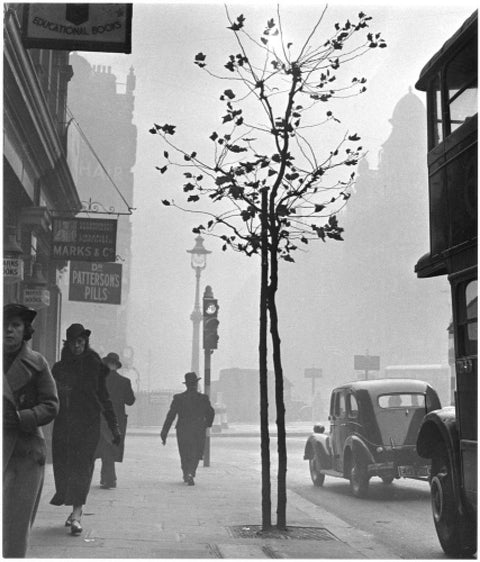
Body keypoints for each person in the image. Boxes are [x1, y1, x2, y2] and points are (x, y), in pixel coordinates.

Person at [50, 324, 121, 535]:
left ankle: (77, 514)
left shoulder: (94, 365)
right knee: (64, 468)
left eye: (80, 342)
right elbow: (48, 396)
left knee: (82, 467)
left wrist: (114, 426)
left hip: (88, 425)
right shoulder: (59, 368)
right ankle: (72, 509)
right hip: (64, 425)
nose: (77, 346)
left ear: (85, 342)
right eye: (73, 342)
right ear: (68, 343)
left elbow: (104, 398)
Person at [3, 304, 59, 557]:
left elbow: (51, 405)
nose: (8, 331)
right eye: (4, 325)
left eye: (15, 325)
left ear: (25, 330)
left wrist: (21, 417)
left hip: (24, 452)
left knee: (16, 524)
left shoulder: (37, 363)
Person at [160, 372, 215, 486]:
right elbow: (211, 412)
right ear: (196, 384)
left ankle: (186, 472)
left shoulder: (179, 398)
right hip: (198, 429)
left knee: (184, 453)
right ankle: (191, 472)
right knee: (196, 452)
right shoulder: (203, 398)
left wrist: (164, 432)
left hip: (183, 429)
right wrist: (207, 424)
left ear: (186, 385)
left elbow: (171, 416)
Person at [95, 352, 136, 489]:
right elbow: (130, 401)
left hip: (101, 418)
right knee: (111, 447)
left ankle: (108, 478)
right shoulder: (124, 382)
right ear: (116, 366)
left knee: (104, 447)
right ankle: (109, 478)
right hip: (117, 419)